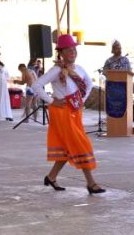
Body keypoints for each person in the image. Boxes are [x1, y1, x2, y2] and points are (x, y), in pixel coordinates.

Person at [31, 34, 105, 194]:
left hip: (75, 111)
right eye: (68, 50)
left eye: (74, 49)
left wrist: (81, 100)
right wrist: (52, 101)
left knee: (67, 147)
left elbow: (89, 84)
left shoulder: (79, 69)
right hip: (62, 112)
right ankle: (91, 183)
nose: (72, 52)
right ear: (61, 53)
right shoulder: (57, 70)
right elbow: (36, 85)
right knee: (80, 144)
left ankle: (51, 177)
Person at [0, 61, 12, 125]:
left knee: (5, 100)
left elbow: (7, 76)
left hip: (3, 87)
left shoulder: (4, 67)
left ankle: (8, 115)